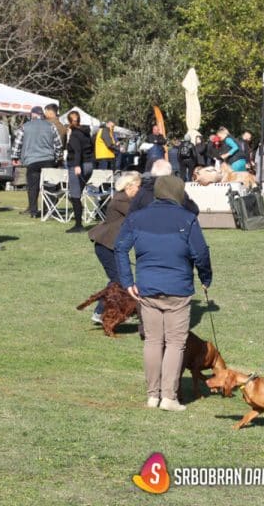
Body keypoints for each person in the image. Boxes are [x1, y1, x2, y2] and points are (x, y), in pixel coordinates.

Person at [115, 175, 212, 411]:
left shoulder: (137, 217)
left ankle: (153, 395)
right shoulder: (188, 218)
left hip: (147, 288)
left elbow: (120, 247)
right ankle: (168, 397)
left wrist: (128, 281)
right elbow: (200, 253)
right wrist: (206, 278)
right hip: (178, 288)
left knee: (153, 340)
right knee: (175, 343)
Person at [87, 171, 142, 323]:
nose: (140, 190)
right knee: (118, 279)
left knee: (119, 279)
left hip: (112, 246)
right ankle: (100, 312)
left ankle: (123, 311)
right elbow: (139, 215)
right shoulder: (121, 200)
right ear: (129, 186)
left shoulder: (125, 199)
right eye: (139, 186)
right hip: (106, 245)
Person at [11, 106, 63, 218]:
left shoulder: (24, 127)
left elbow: (17, 144)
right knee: (49, 187)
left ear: (33, 115)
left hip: (32, 161)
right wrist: (57, 157)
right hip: (48, 160)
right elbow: (58, 144)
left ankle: (33, 211)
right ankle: (48, 210)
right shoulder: (51, 126)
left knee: (33, 187)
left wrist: (15, 157)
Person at [130, 159, 199, 214]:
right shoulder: (176, 189)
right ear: (169, 173)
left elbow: (131, 213)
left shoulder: (142, 191)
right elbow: (193, 210)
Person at [64, 111, 94, 233]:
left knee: (75, 196)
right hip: (89, 165)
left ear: (69, 121)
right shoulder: (86, 133)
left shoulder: (75, 134)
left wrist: (76, 165)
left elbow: (77, 151)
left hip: (78, 165)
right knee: (77, 194)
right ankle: (78, 221)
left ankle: (78, 225)